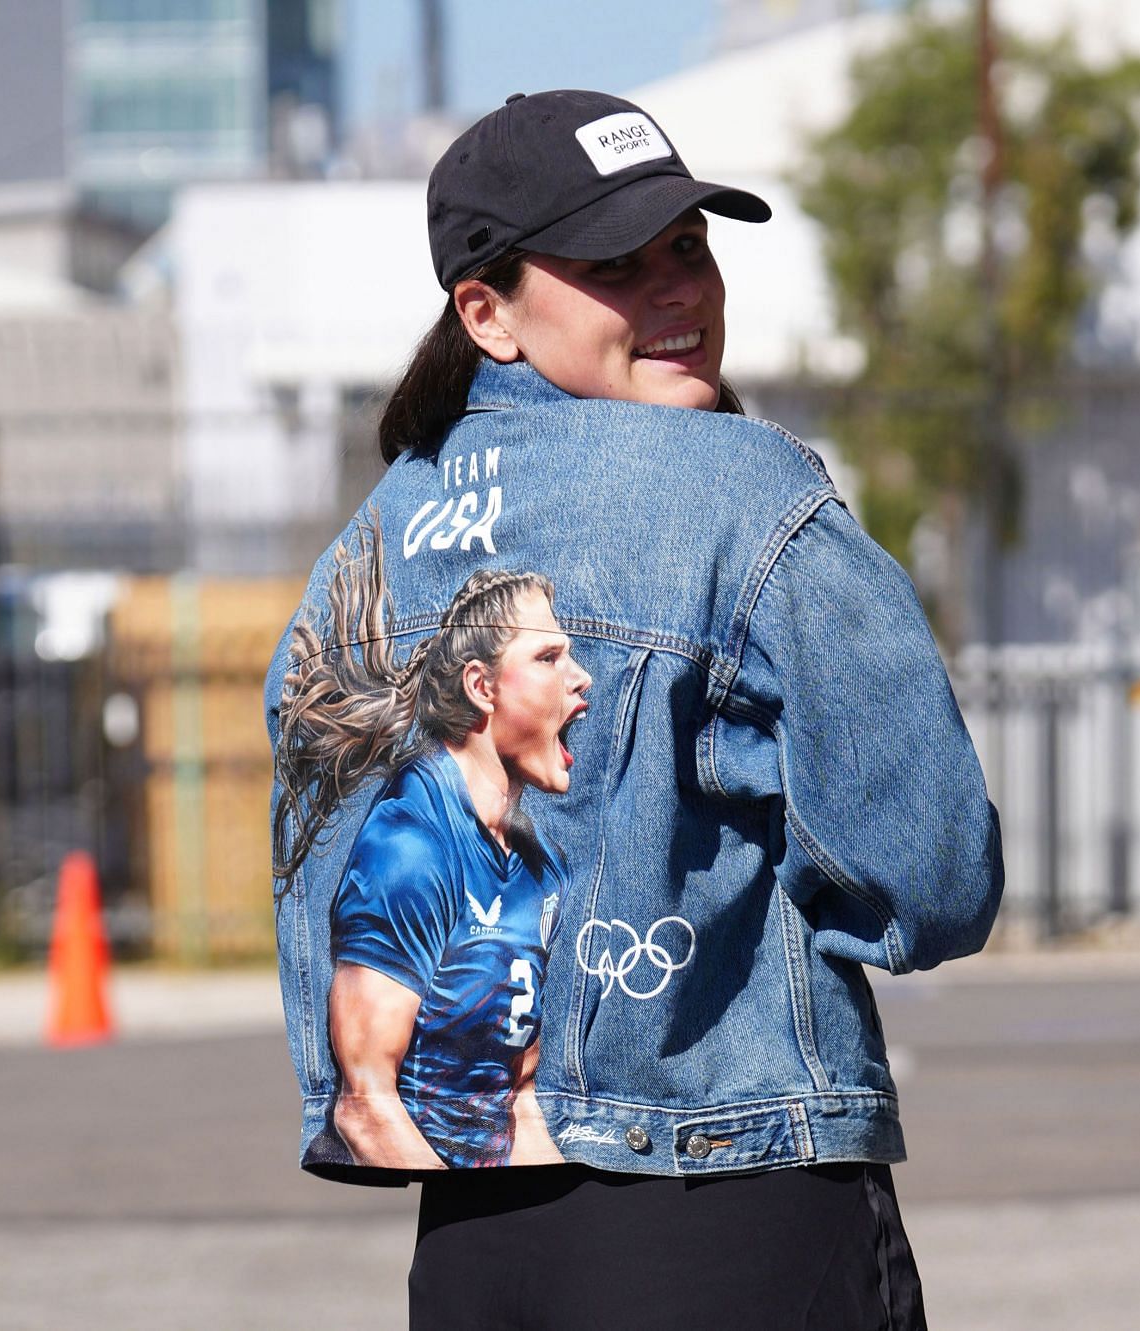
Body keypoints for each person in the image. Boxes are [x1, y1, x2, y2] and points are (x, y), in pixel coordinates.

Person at [266, 89, 1003, 1330]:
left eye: (688, 245)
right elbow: (934, 873)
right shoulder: (744, 490)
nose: (679, 290)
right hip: (733, 1195)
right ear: (485, 310)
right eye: (615, 261)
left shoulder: (370, 544)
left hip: (477, 1240)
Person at [275, 532, 589, 1169]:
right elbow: (365, 1105)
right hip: (454, 1206)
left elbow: (516, 1100)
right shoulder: (409, 851)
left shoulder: (535, 864)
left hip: (497, 1189)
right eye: (549, 658)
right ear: (482, 686)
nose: (582, 678)